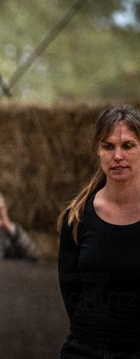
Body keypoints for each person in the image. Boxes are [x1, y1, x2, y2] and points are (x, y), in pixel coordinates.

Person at [58, 104, 140, 358]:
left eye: (128, 146)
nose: (118, 156)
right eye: (108, 146)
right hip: (84, 350)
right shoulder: (77, 217)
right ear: (98, 150)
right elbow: (70, 292)